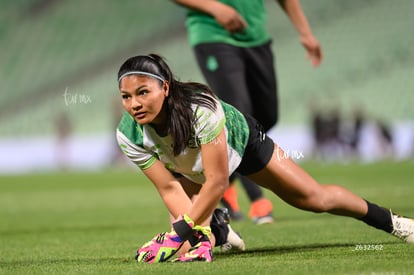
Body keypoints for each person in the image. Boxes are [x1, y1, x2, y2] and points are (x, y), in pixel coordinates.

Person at [116, 54, 413, 264]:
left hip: (244, 145)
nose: (135, 104)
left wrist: (182, 230)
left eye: (143, 92)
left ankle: (393, 223)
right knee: (189, 241)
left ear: (165, 88)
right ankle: (217, 228)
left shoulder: (202, 111)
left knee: (314, 198)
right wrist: (196, 235)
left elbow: (218, 181)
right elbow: (169, 188)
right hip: (189, 170)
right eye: (126, 97)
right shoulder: (128, 134)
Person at [173, 0, 323, 223]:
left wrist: (306, 33)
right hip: (214, 34)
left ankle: (227, 178)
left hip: (256, 36)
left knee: (268, 115)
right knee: (240, 118)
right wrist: (216, 8)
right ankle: (258, 201)